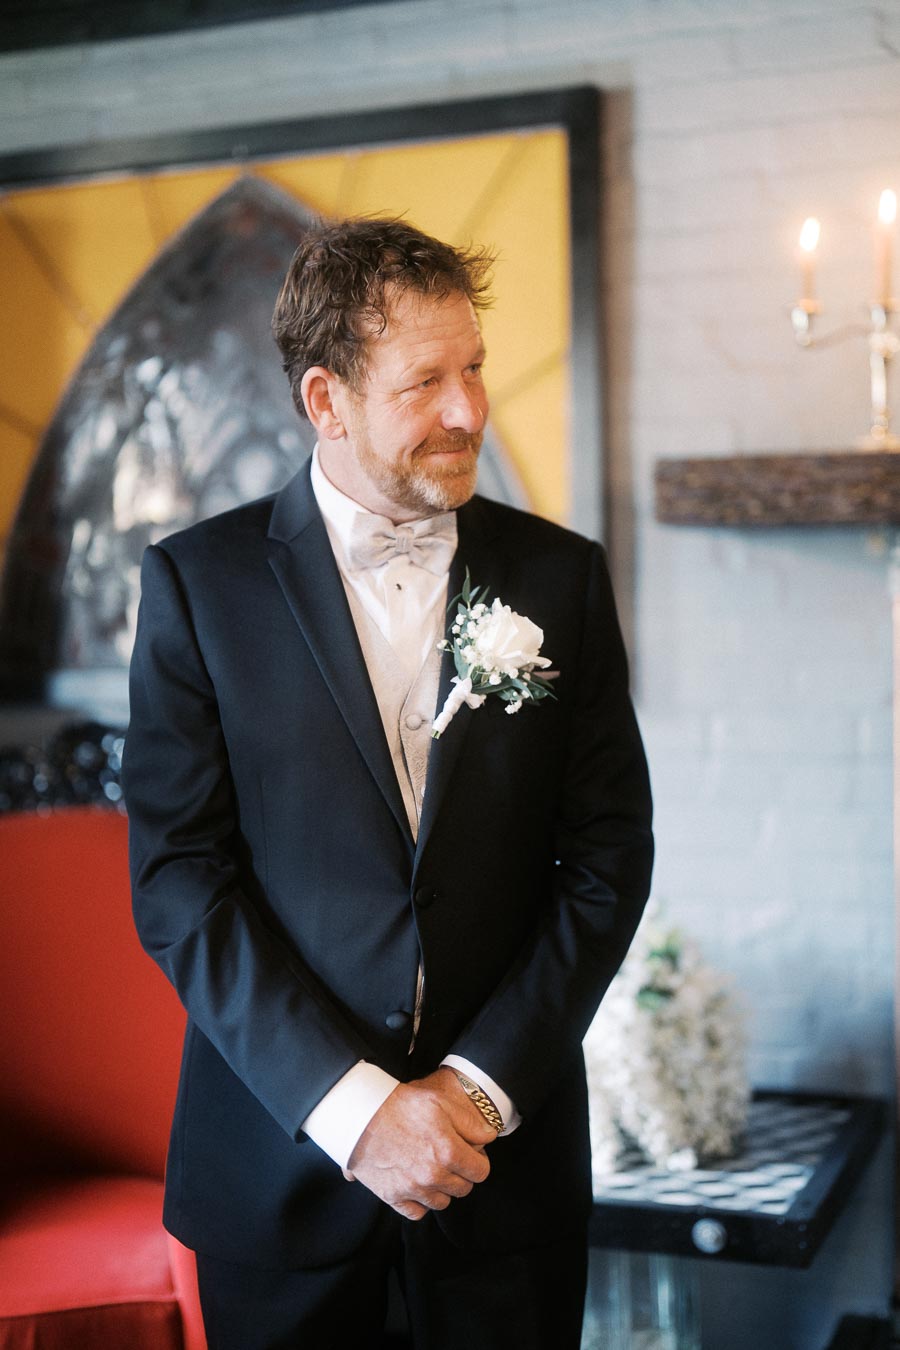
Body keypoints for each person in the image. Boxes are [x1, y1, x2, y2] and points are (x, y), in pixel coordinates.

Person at [123, 216, 653, 1350]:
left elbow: (607, 859)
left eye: (474, 368)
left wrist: (476, 1091)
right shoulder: (196, 587)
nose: (470, 410)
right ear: (328, 401)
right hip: (278, 1180)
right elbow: (178, 883)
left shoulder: (563, 575)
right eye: (426, 381)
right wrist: (359, 1116)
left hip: (504, 1186)